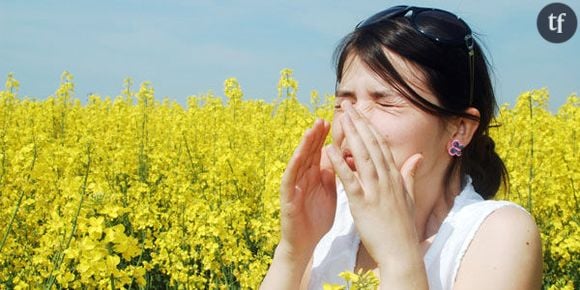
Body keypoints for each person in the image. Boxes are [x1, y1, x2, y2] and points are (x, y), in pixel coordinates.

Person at [260, 5, 542, 290]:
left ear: (460, 129)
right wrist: (293, 251)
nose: (351, 122)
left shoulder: (498, 234)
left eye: (385, 102)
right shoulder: (334, 222)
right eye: (343, 103)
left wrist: (398, 259)